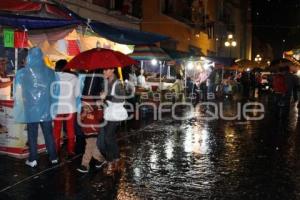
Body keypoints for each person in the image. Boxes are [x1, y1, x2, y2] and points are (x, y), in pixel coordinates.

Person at [13, 47, 58, 167]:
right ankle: (53, 157)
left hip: (31, 109)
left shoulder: (23, 72)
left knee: (32, 135)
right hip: (46, 109)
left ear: (30, 57)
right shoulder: (50, 72)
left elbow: (17, 91)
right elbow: (55, 90)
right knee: (48, 133)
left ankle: (33, 159)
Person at [97, 68, 127, 175]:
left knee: (108, 137)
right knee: (105, 139)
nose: (104, 72)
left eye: (106, 70)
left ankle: (111, 161)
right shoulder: (105, 82)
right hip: (108, 113)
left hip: (115, 114)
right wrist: (101, 99)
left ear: (112, 70)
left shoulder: (117, 83)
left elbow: (122, 98)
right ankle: (116, 158)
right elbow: (104, 98)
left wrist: (107, 96)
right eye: (103, 70)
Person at [53, 60, 80, 157]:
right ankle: (71, 150)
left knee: (57, 129)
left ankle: (56, 149)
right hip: (70, 107)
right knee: (70, 129)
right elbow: (77, 94)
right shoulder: (74, 77)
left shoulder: (53, 76)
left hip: (57, 107)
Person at [77, 99, 106, 173]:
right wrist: (82, 116)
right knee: (94, 151)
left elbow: (100, 117)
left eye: (86, 106)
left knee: (88, 149)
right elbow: (80, 121)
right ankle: (101, 159)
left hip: (93, 134)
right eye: (83, 106)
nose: (85, 108)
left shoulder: (95, 112)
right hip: (87, 135)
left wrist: (99, 107)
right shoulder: (84, 113)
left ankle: (84, 165)